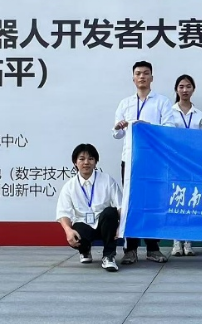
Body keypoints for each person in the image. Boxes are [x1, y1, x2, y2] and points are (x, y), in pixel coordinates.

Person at [112, 60, 178, 265]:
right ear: (133, 78)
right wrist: (119, 126)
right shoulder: (125, 103)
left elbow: (169, 128)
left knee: (153, 202)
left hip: (154, 160)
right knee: (131, 202)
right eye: (138, 73)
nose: (142, 76)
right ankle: (130, 249)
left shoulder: (162, 102)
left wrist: (147, 126)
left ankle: (153, 248)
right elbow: (116, 134)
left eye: (146, 73)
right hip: (130, 160)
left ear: (152, 77)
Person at [56, 144, 123, 272]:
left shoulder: (107, 180)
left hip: (104, 225)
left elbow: (120, 206)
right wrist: (68, 230)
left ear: (96, 162)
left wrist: (121, 226)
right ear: (75, 162)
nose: (86, 162)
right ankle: (85, 250)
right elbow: (63, 212)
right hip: (84, 226)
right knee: (75, 230)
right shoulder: (69, 186)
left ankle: (109, 256)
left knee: (110, 212)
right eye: (81, 159)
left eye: (91, 158)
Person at [169, 74, 202, 258]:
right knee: (176, 201)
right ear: (176, 89)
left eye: (188, 86)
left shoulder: (199, 114)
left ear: (193, 89)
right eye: (181, 86)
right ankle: (176, 241)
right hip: (174, 163)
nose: (185, 90)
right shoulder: (169, 112)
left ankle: (189, 242)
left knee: (191, 201)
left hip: (193, 164)